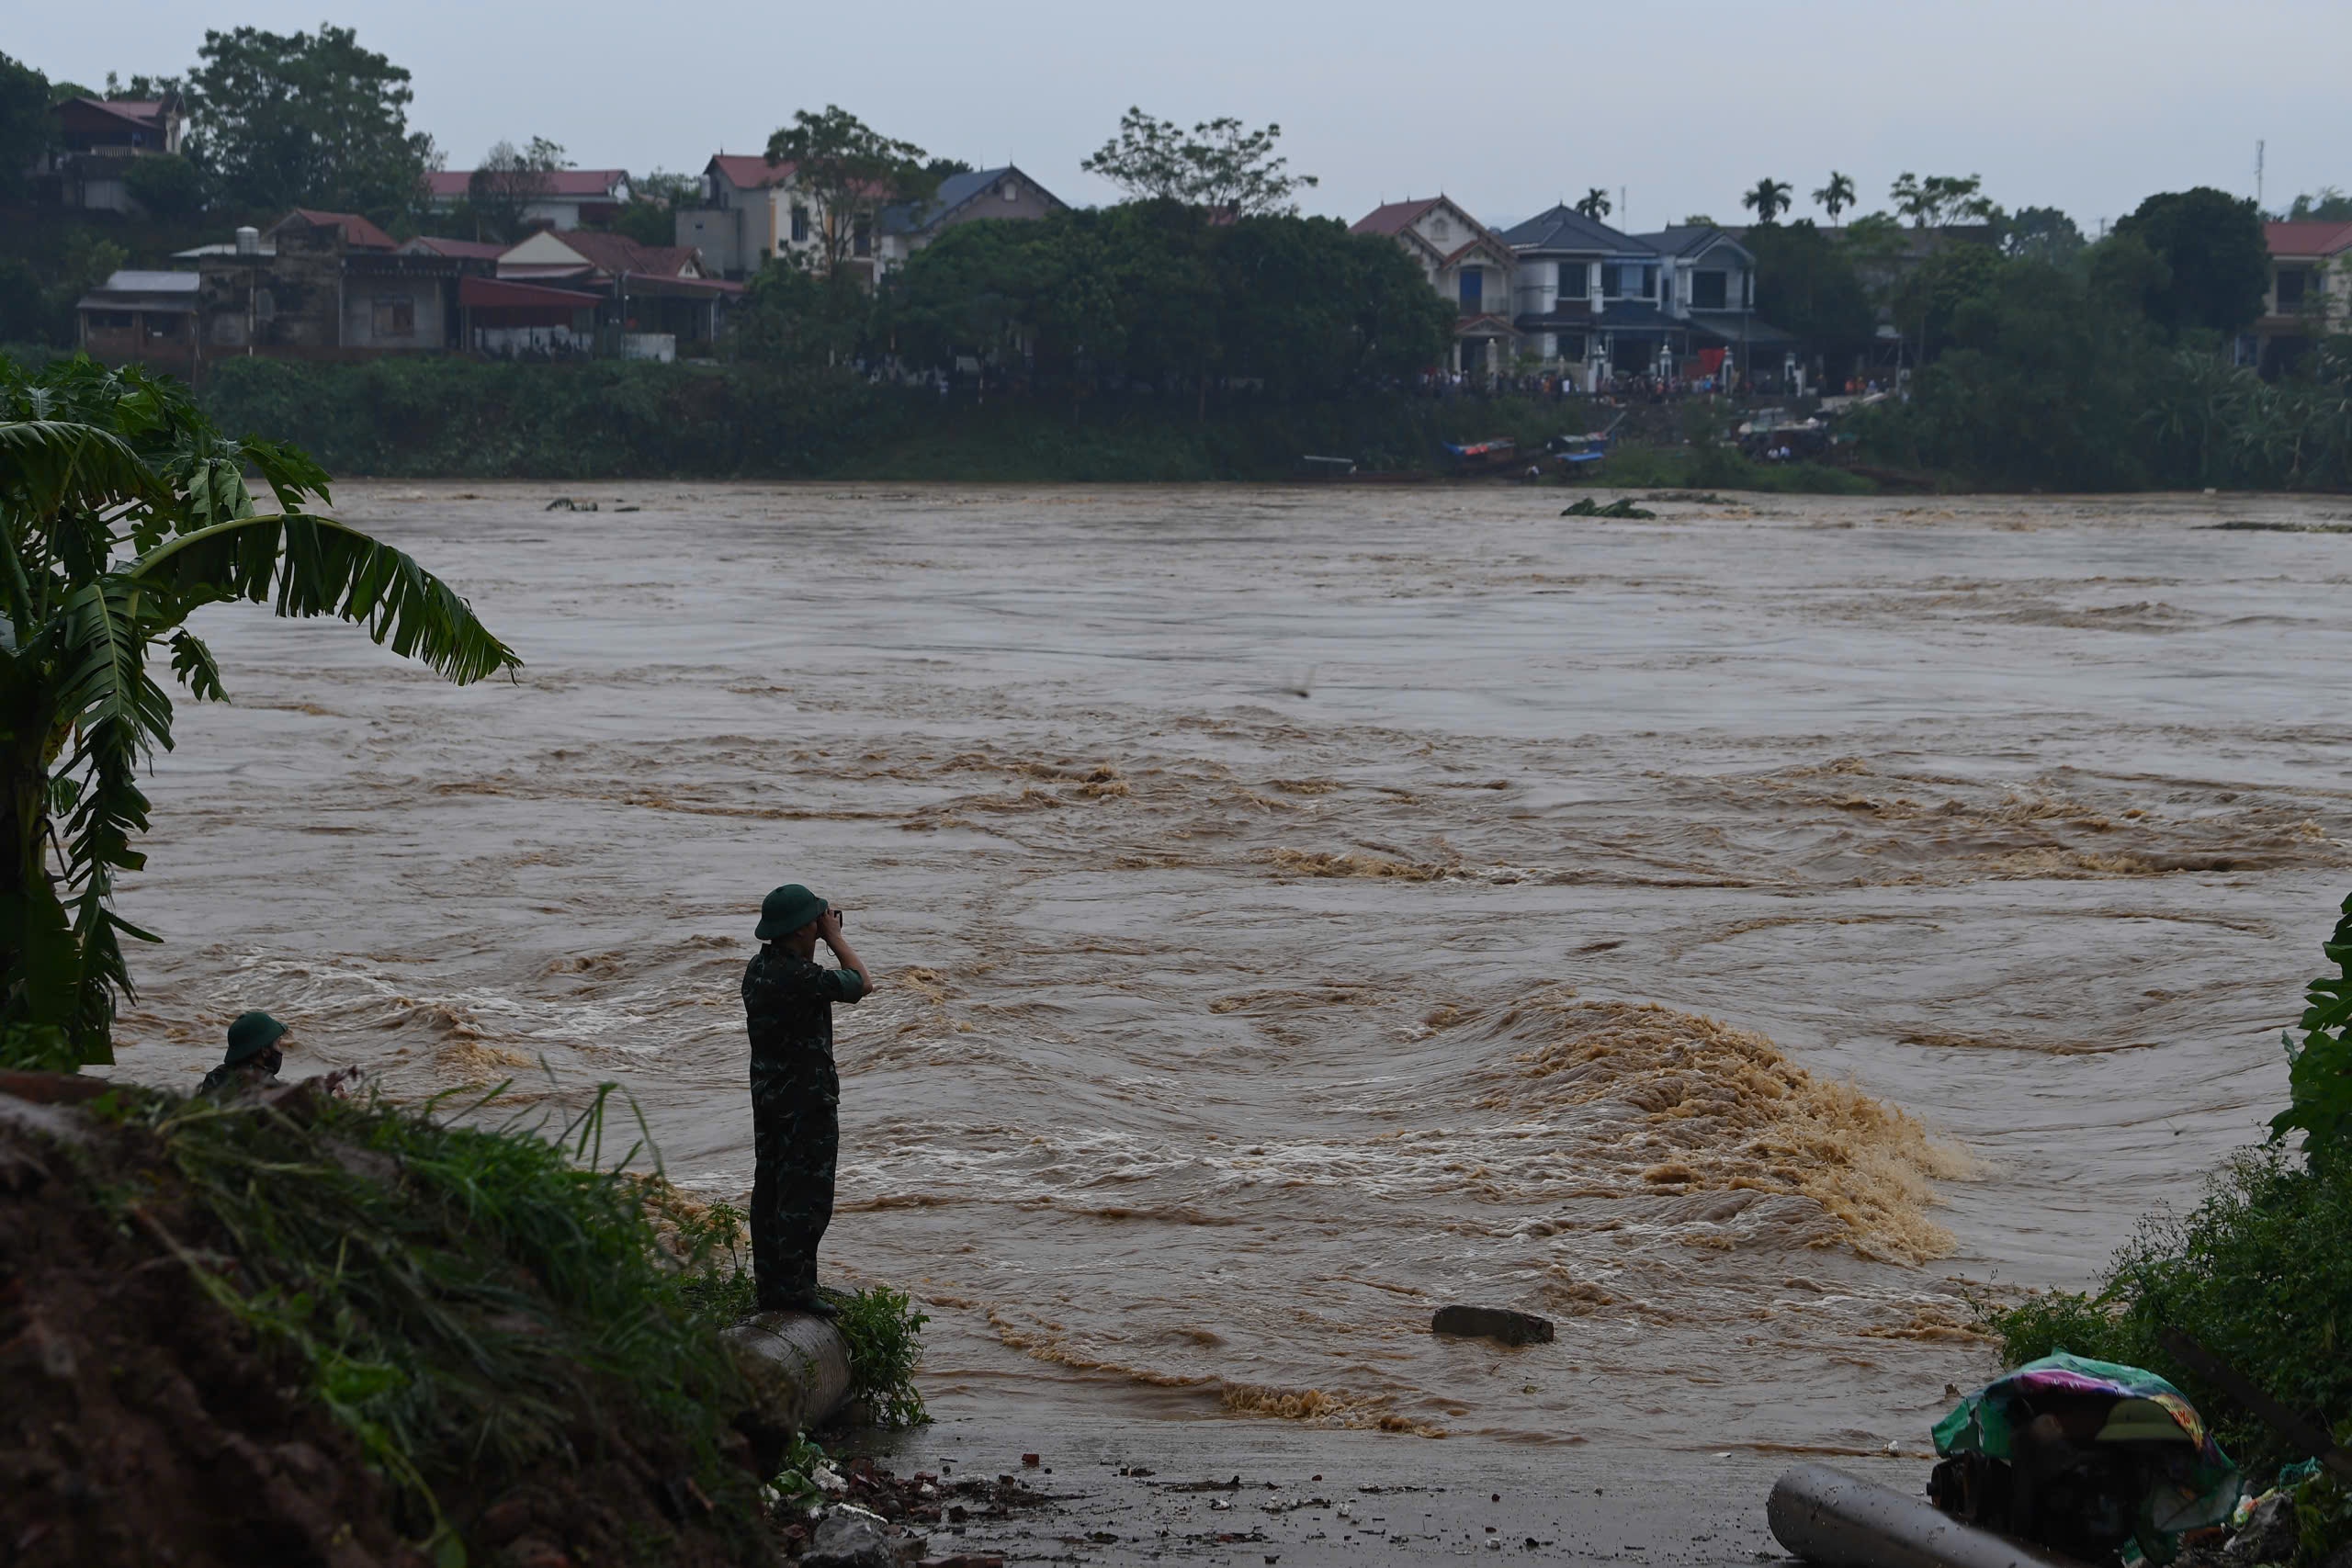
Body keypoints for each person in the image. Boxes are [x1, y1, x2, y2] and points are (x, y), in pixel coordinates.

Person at [741, 883, 872, 1315]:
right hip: (805, 1102)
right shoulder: (798, 977)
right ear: (801, 930)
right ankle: (796, 1292)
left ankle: (772, 1287)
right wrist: (835, 938)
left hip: (769, 1099)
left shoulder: (759, 970)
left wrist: (818, 936)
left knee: (772, 1190)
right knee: (807, 1196)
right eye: (815, 920)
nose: (823, 923)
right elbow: (860, 982)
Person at [199, 1011, 288, 1096]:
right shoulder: (271, 1088)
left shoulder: (214, 1077)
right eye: (278, 1043)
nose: (280, 1050)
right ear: (265, 1051)